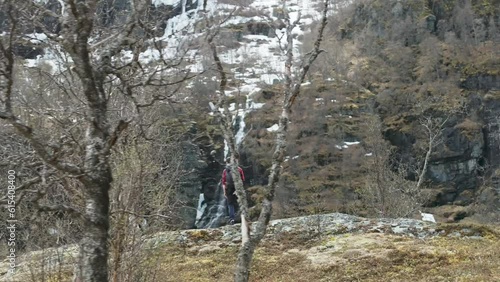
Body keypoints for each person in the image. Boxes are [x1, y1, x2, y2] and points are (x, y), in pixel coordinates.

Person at [222, 157, 245, 225]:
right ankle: (243, 217)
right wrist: (239, 189)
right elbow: (243, 180)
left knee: (230, 204)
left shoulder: (225, 171)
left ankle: (232, 219)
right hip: (237, 187)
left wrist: (224, 192)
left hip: (229, 189)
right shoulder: (239, 169)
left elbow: (223, 182)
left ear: (227, 162)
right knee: (241, 203)